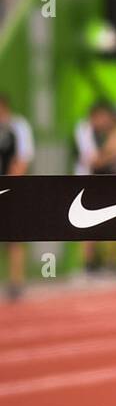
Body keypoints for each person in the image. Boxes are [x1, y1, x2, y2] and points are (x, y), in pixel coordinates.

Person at [74, 102, 116, 275]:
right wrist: (113, 154)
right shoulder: (84, 131)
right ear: (95, 116)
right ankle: (88, 264)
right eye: (103, 117)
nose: (106, 121)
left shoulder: (109, 133)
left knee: (115, 222)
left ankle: (111, 263)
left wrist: (114, 152)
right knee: (87, 224)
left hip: (107, 180)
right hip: (88, 182)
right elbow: (94, 160)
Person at [0, 93, 33, 300]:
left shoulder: (18, 127)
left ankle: (17, 282)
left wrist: (10, 185)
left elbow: (23, 158)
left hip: (11, 188)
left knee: (14, 238)